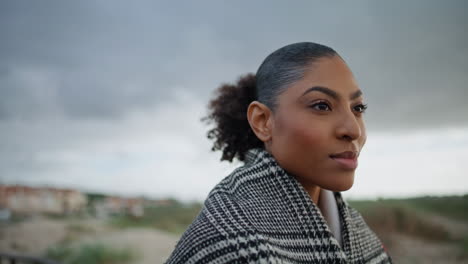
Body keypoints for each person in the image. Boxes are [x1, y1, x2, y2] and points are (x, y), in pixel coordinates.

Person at [166, 42, 392, 263]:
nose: (353, 130)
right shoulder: (229, 244)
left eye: (358, 108)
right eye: (322, 106)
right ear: (263, 121)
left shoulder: (356, 228)